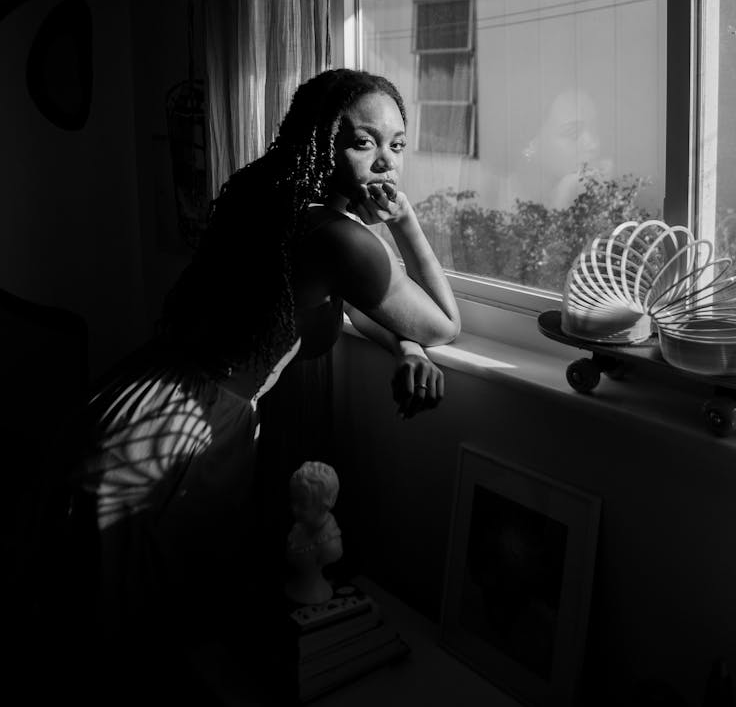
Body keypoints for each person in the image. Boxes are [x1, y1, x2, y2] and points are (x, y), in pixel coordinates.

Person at [38, 67, 460, 705]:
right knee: (139, 637)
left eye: (397, 145)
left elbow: (333, 305)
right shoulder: (342, 237)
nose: (385, 163)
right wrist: (405, 223)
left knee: (98, 627)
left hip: (136, 396)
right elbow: (447, 324)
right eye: (363, 142)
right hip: (178, 437)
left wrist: (402, 343)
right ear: (321, 143)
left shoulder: (266, 201)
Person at [284, 461, 343, 605]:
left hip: (315, 594)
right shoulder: (300, 527)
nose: (294, 509)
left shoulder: (330, 545)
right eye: (294, 501)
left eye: (302, 504)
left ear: (324, 505)